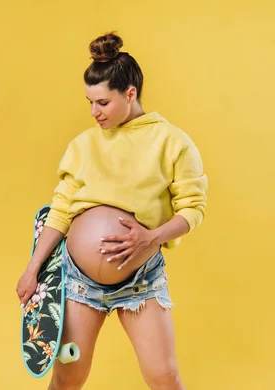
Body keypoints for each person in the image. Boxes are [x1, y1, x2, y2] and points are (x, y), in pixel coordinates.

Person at [16, 32, 208, 390]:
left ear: (130, 93)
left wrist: (152, 237)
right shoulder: (83, 145)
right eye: (89, 102)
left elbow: (193, 208)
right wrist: (32, 269)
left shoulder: (172, 142)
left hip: (141, 281)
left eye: (102, 102)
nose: (94, 112)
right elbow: (59, 212)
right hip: (77, 284)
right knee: (67, 377)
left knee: (164, 377)